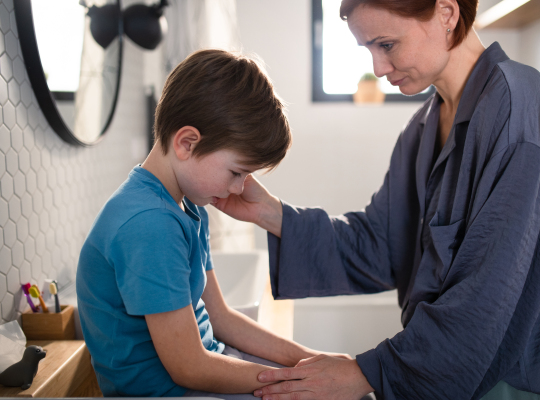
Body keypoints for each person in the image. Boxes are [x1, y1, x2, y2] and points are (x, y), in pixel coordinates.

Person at [213, 0, 540, 399]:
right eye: (369, 50)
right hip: (447, 374)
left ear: (447, 14)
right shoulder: (422, 128)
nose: (379, 69)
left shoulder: (519, 112)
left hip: (509, 383)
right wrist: (270, 213)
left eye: (387, 45)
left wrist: (367, 372)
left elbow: (486, 300)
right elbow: (381, 245)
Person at [75, 49, 356, 399]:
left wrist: (308, 359)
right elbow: (189, 366)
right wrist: (296, 381)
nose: (239, 188)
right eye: (236, 172)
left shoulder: (186, 208)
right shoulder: (149, 225)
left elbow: (219, 317)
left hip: (202, 369)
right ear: (186, 143)